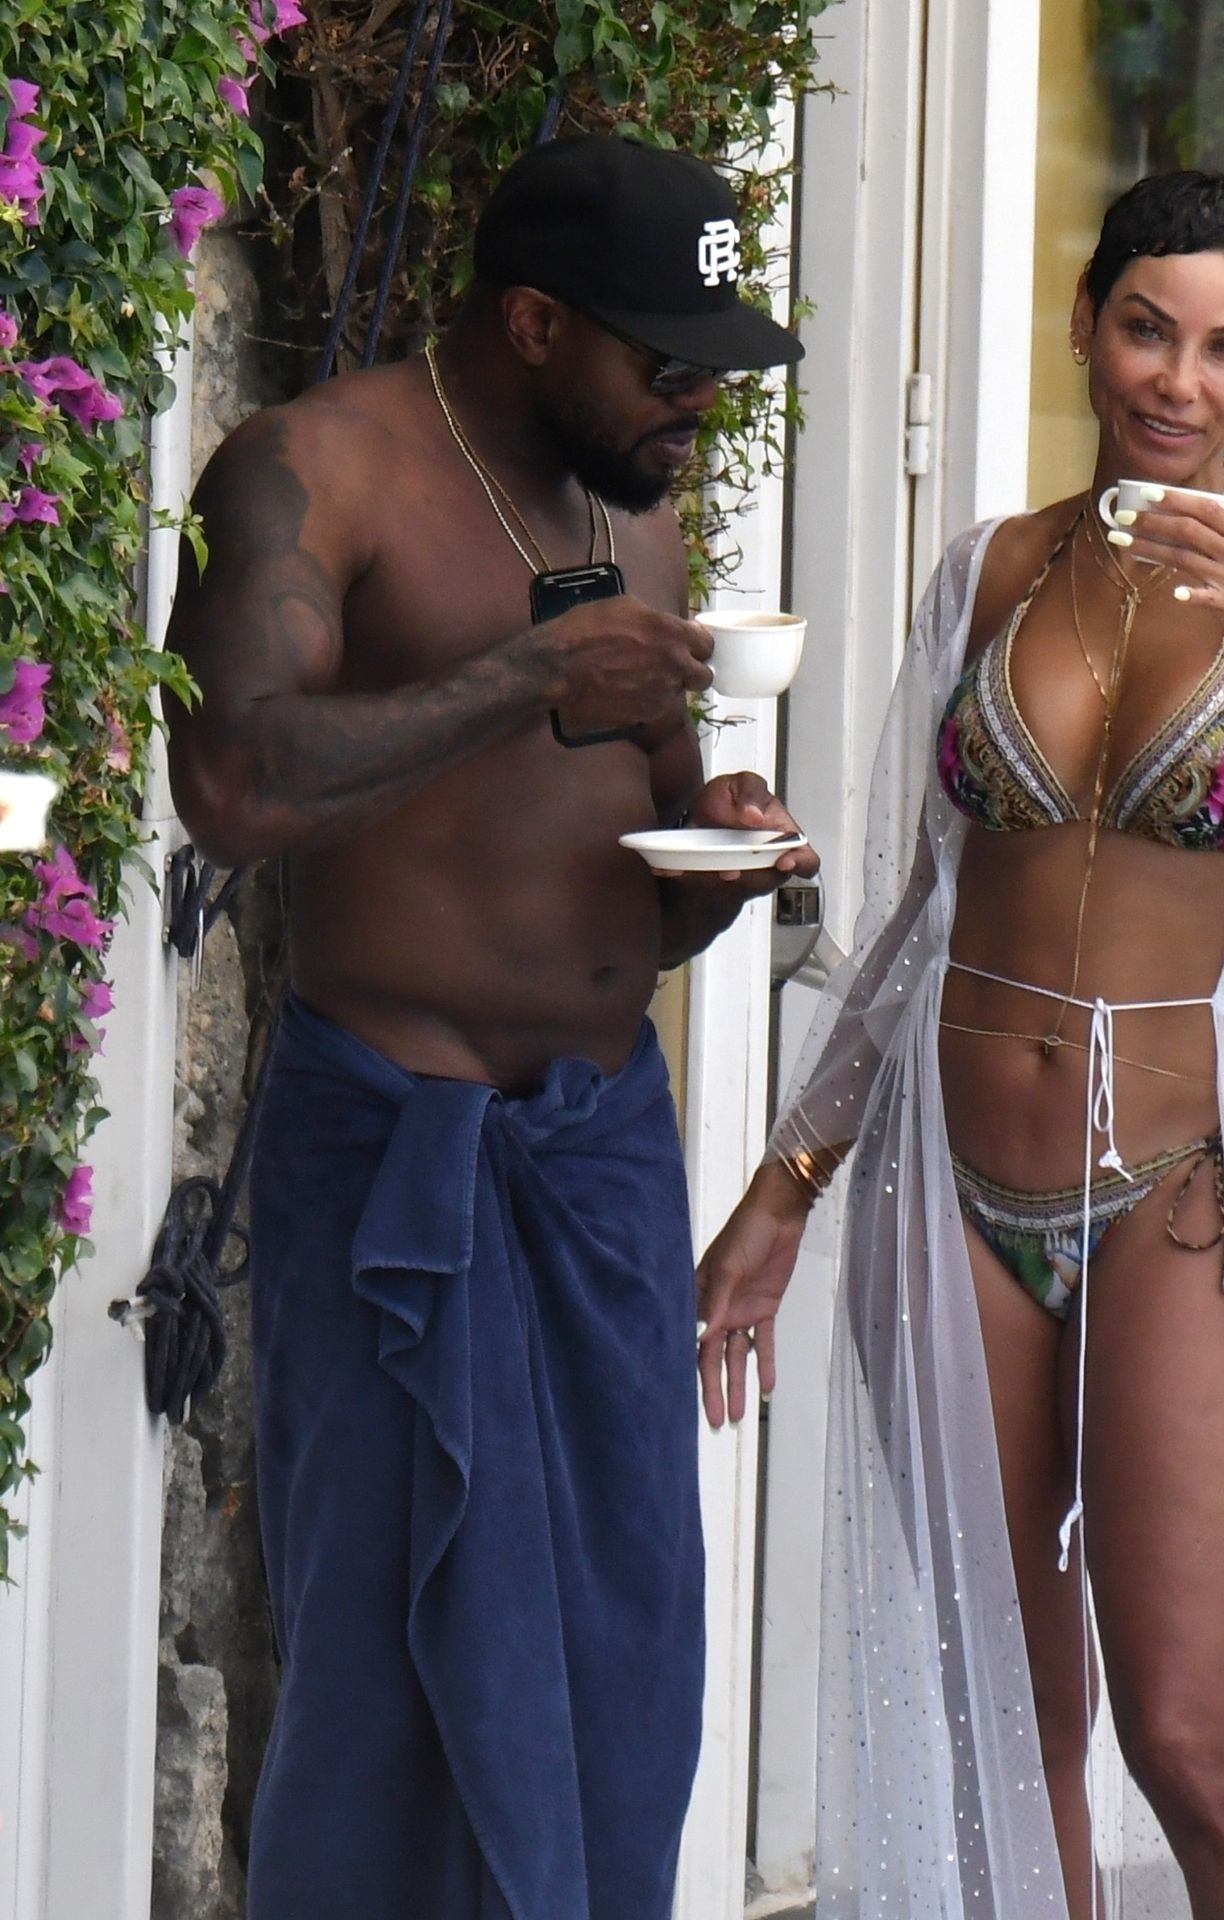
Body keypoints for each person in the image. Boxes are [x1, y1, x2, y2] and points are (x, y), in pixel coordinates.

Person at [697, 172, 1224, 1920]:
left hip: (1180, 1191)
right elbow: (918, 910)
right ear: (1084, 323)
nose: (1179, 382)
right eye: (1146, 329)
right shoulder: (989, 567)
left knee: (1197, 1743)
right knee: (1008, 1734)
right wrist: (789, 1176)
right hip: (950, 1180)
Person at [165, 133, 816, 1920]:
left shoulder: (634, 504)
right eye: (666, 361)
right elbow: (232, 780)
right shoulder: (313, 468)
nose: (697, 399)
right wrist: (526, 673)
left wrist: (722, 854)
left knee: (621, 1670)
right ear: (533, 322)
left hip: (598, 1164)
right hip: (400, 1157)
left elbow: (629, 843)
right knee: (392, 1693)